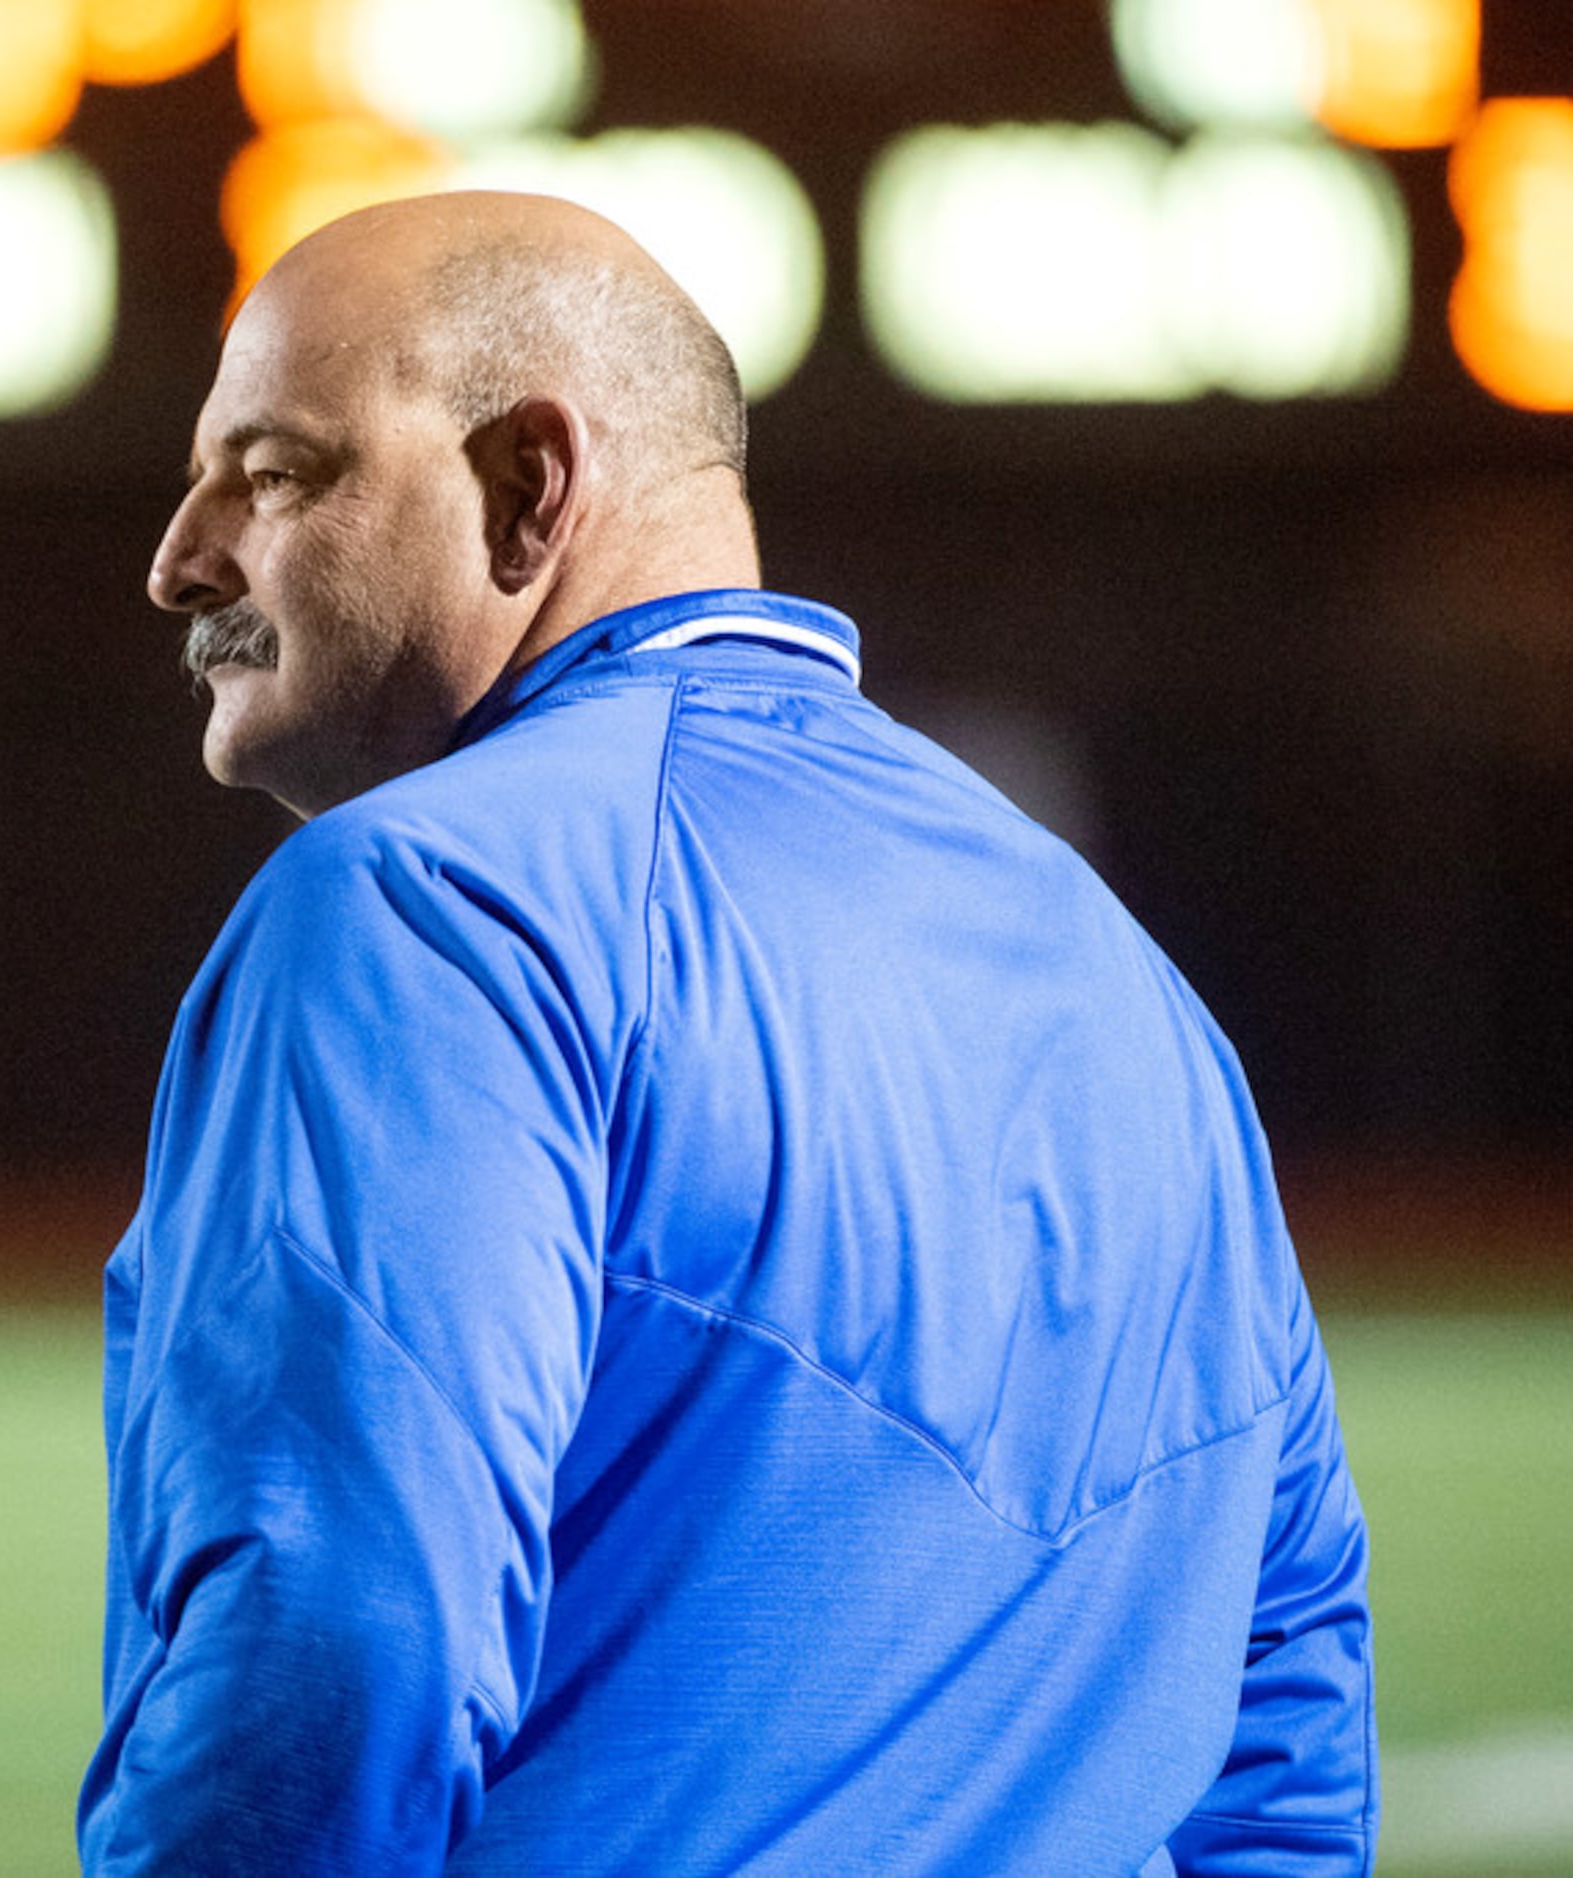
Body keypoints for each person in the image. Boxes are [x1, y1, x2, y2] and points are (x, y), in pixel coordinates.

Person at [77, 190, 1375, 1875]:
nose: (181, 556)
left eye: (275, 471)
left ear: (529, 487)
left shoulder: (425, 901)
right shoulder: (1129, 979)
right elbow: (1287, 1719)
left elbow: (339, 1638)